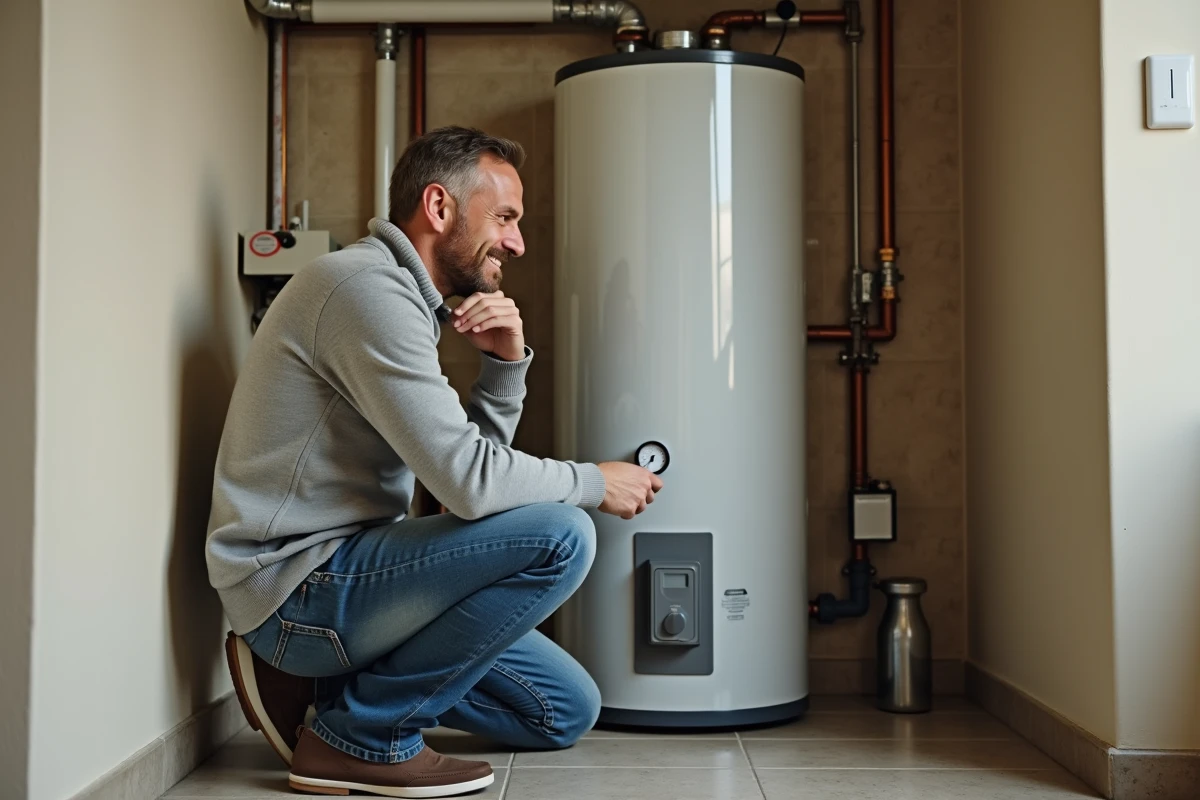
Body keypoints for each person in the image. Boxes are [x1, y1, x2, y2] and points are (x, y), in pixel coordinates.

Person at [205, 126, 662, 798]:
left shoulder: (402, 301)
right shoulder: (366, 291)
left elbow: (459, 492)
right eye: (504, 218)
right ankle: (358, 737)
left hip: (358, 572)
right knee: (563, 534)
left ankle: (329, 687)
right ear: (440, 208)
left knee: (562, 710)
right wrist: (593, 482)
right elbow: (472, 485)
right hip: (297, 586)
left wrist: (505, 367)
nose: (516, 243)